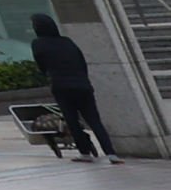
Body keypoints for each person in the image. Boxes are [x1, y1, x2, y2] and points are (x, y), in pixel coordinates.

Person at [28, 12, 116, 161]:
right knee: (94, 120)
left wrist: (48, 75)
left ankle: (85, 153)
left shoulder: (38, 43)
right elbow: (81, 62)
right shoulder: (67, 41)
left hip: (61, 86)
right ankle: (111, 153)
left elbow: (42, 65)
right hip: (82, 85)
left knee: (72, 120)